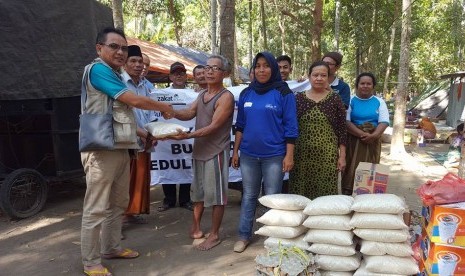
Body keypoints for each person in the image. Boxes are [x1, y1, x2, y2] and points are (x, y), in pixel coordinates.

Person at [79, 27, 173, 276]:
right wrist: (166, 109)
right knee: (96, 206)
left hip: (121, 147)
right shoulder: (99, 70)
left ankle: (110, 248)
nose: (120, 52)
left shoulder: (115, 74)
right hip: (101, 149)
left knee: (118, 202)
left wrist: (149, 134)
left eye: (123, 47)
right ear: (100, 48)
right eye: (114, 46)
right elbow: (134, 101)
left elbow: (125, 116)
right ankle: (90, 262)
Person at [232, 51, 298, 253]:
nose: (261, 70)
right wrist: (235, 152)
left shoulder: (284, 93)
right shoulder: (246, 93)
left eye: (266, 65)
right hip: (249, 155)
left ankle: (273, 238)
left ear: (274, 69)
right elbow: (240, 125)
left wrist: (289, 155)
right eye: (258, 66)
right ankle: (244, 236)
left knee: (272, 197)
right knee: (249, 195)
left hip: (275, 156)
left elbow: (291, 126)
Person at [169, 55, 234, 250]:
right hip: (199, 151)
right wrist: (169, 110)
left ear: (224, 73)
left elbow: (214, 127)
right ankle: (195, 228)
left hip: (216, 152)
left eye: (215, 68)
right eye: (207, 67)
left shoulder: (225, 97)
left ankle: (214, 235)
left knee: (217, 196)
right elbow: (188, 113)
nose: (209, 71)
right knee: (197, 193)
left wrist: (187, 135)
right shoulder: (202, 95)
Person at [289, 61, 347, 199]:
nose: (319, 78)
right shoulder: (298, 99)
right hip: (301, 156)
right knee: (299, 195)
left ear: (328, 78)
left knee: (326, 196)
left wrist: (342, 156)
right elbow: (290, 128)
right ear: (309, 77)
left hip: (327, 156)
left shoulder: (335, 99)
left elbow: (342, 129)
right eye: (315, 75)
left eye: (323, 75)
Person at [121, 46, 156, 226]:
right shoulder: (119, 83)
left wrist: (152, 131)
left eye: (140, 61)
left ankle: (131, 213)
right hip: (126, 140)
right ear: (125, 64)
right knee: (123, 180)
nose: (137, 65)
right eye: (133, 61)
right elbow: (119, 115)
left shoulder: (147, 85)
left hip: (145, 139)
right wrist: (140, 132)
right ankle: (118, 221)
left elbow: (152, 110)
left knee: (140, 178)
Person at [341, 72, 389, 195]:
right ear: (357, 85)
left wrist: (374, 135)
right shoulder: (350, 100)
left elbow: (384, 121)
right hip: (353, 141)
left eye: (369, 83)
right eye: (362, 83)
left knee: (370, 169)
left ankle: (367, 199)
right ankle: (348, 196)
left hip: (372, 141)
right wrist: (361, 134)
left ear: (373, 86)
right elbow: (346, 121)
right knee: (351, 168)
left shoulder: (379, 102)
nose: (365, 86)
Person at [158, 62, 194, 211]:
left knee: (186, 164)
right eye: (175, 73)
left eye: (181, 73)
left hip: (186, 136)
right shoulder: (160, 94)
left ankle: (185, 200)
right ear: (170, 76)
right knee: (167, 164)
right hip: (167, 139)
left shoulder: (193, 94)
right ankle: (169, 200)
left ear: (186, 76)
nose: (179, 75)